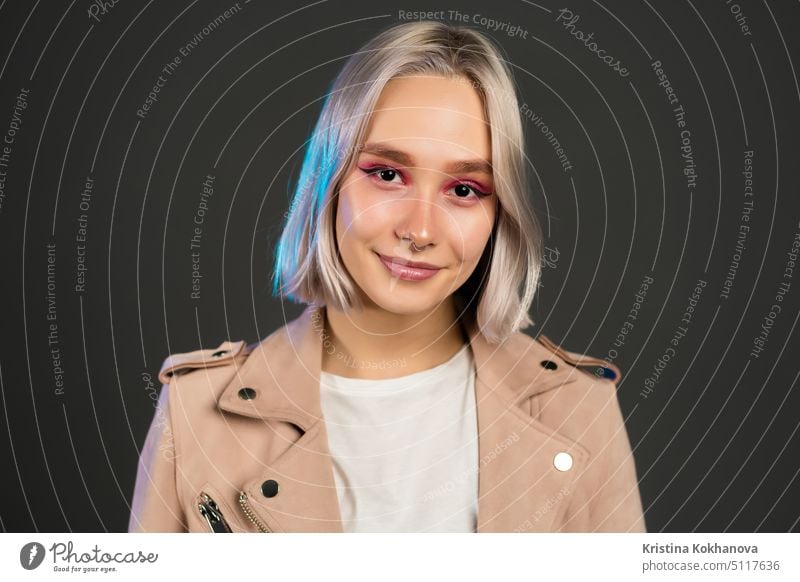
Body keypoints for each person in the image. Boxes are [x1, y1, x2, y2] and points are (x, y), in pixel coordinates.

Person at [128, 20, 645, 533]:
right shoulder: (196, 413)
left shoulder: (577, 407)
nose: (420, 230)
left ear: (498, 211)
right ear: (329, 181)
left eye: (464, 189)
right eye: (387, 174)